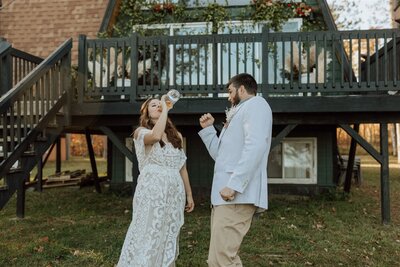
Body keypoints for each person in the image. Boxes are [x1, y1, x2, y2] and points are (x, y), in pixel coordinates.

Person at [198, 73, 272, 267]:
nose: (229, 97)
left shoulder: (256, 105)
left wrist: (234, 185)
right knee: (218, 259)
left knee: (221, 259)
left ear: (241, 89)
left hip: (237, 195)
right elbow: (222, 156)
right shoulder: (240, 110)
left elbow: (255, 146)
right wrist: (208, 131)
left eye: (230, 91)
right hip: (225, 198)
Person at [117, 95, 195, 267]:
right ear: (146, 112)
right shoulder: (141, 132)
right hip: (152, 189)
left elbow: (181, 167)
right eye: (154, 105)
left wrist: (189, 194)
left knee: (167, 231)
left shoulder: (177, 136)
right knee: (148, 229)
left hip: (174, 191)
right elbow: (156, 135)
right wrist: (165, 108)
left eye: (161, 105)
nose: (159, 107)